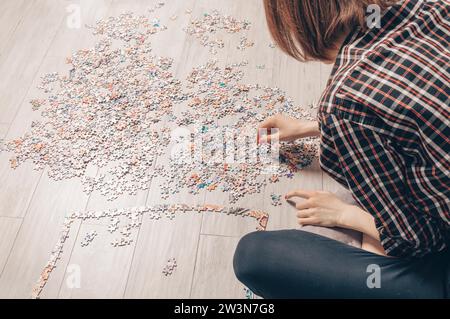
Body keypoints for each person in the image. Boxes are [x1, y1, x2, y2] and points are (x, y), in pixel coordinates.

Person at [233, 0, 450, 298]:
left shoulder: (344, 103)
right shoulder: (431, 8)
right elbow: (424, 107)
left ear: (294, 20)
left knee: (255, 258)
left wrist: (345, 215)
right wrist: (313, 125)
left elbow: (418, 240)